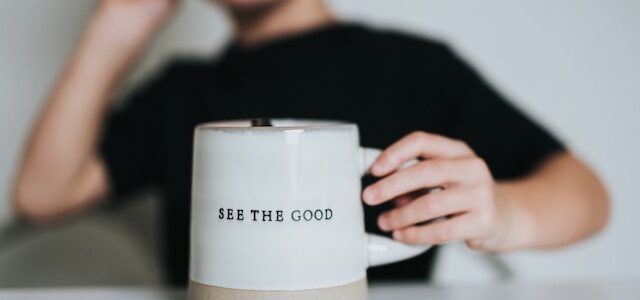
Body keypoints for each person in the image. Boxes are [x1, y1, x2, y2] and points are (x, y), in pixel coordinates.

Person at [12, 0, 609, 286]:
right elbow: (43, 195)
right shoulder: (181, 94)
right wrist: (117, 24)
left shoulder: (414, 68)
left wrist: (502, 213)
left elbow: (587, 195)